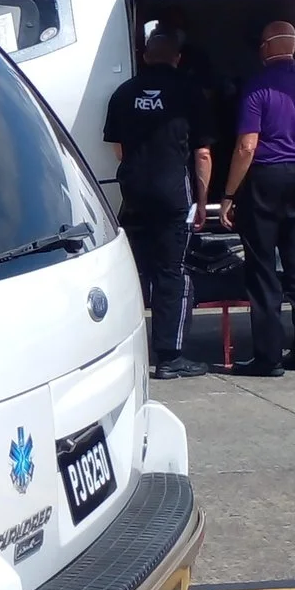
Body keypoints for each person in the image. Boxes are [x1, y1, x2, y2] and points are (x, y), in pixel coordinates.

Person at [217, 20, 295, 375]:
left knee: (263, 267)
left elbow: (246, 146)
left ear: (266, 47)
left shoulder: (257, 87)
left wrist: (229, 194)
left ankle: (268, 358)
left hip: (265, 177)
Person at [103, 23, 215, 378]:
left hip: (133, 192)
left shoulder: (123, 93)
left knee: (131, 274)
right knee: (173, 274)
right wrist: (202, 200)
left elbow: (119, 150)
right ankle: (170, 356)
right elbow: (202, 154)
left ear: (145, 56)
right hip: (172, 196)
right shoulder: (190, 92)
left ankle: (119, 351)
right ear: (178, 59)